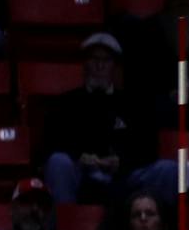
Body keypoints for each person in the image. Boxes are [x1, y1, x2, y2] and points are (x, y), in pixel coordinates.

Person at [39, 35, 173, 208]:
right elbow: (52, 141)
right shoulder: (66, 102)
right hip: (81, 172)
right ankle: (62, 229)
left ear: (114, 66)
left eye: (106, 60)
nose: (100, 65)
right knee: (58, 162)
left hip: (123, 174)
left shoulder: (132, 104)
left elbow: (148, 147)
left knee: (168, 169)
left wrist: (122, 161)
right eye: (94, 59)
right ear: (85, 63)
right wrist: (79, 157)